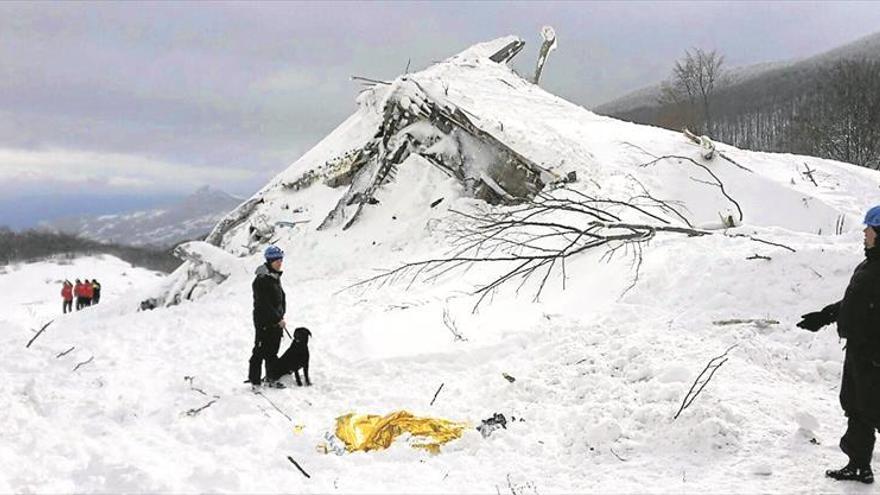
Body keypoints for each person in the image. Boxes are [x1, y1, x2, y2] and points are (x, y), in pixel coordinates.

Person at [797, 205, 880, 484]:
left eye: (869, 229)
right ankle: (858, 464)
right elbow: (855, 303)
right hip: (859, 351)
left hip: (875, 355)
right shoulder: (868, 265)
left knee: (874, 408)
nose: (864, 233)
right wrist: (826, 316)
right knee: (855, 405)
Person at [247, 245, 288, 389]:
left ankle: (271, 378)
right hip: (264, 322)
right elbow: (263, 304)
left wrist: (280, 316)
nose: (279, 262)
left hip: (276, 321)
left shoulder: (274, 276)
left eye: (280, 259)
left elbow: (278, 299)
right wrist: (278, 319)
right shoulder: (261, 280)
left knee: (272, 352)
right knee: (259, 352)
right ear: (269, 261)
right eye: (276, 260)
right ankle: (255, 382)